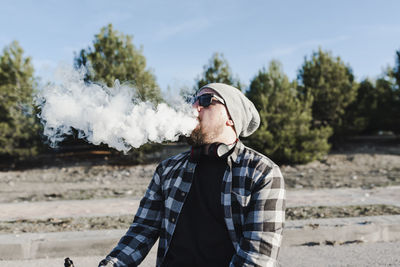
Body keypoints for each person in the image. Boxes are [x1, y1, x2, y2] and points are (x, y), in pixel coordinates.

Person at [99, 83, 285, 267]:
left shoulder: (262, 172)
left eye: (205, 100)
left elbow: (258, 258)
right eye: (193, 101)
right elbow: (141, 231)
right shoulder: (167, 169)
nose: (194, 107)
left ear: (231, 116)